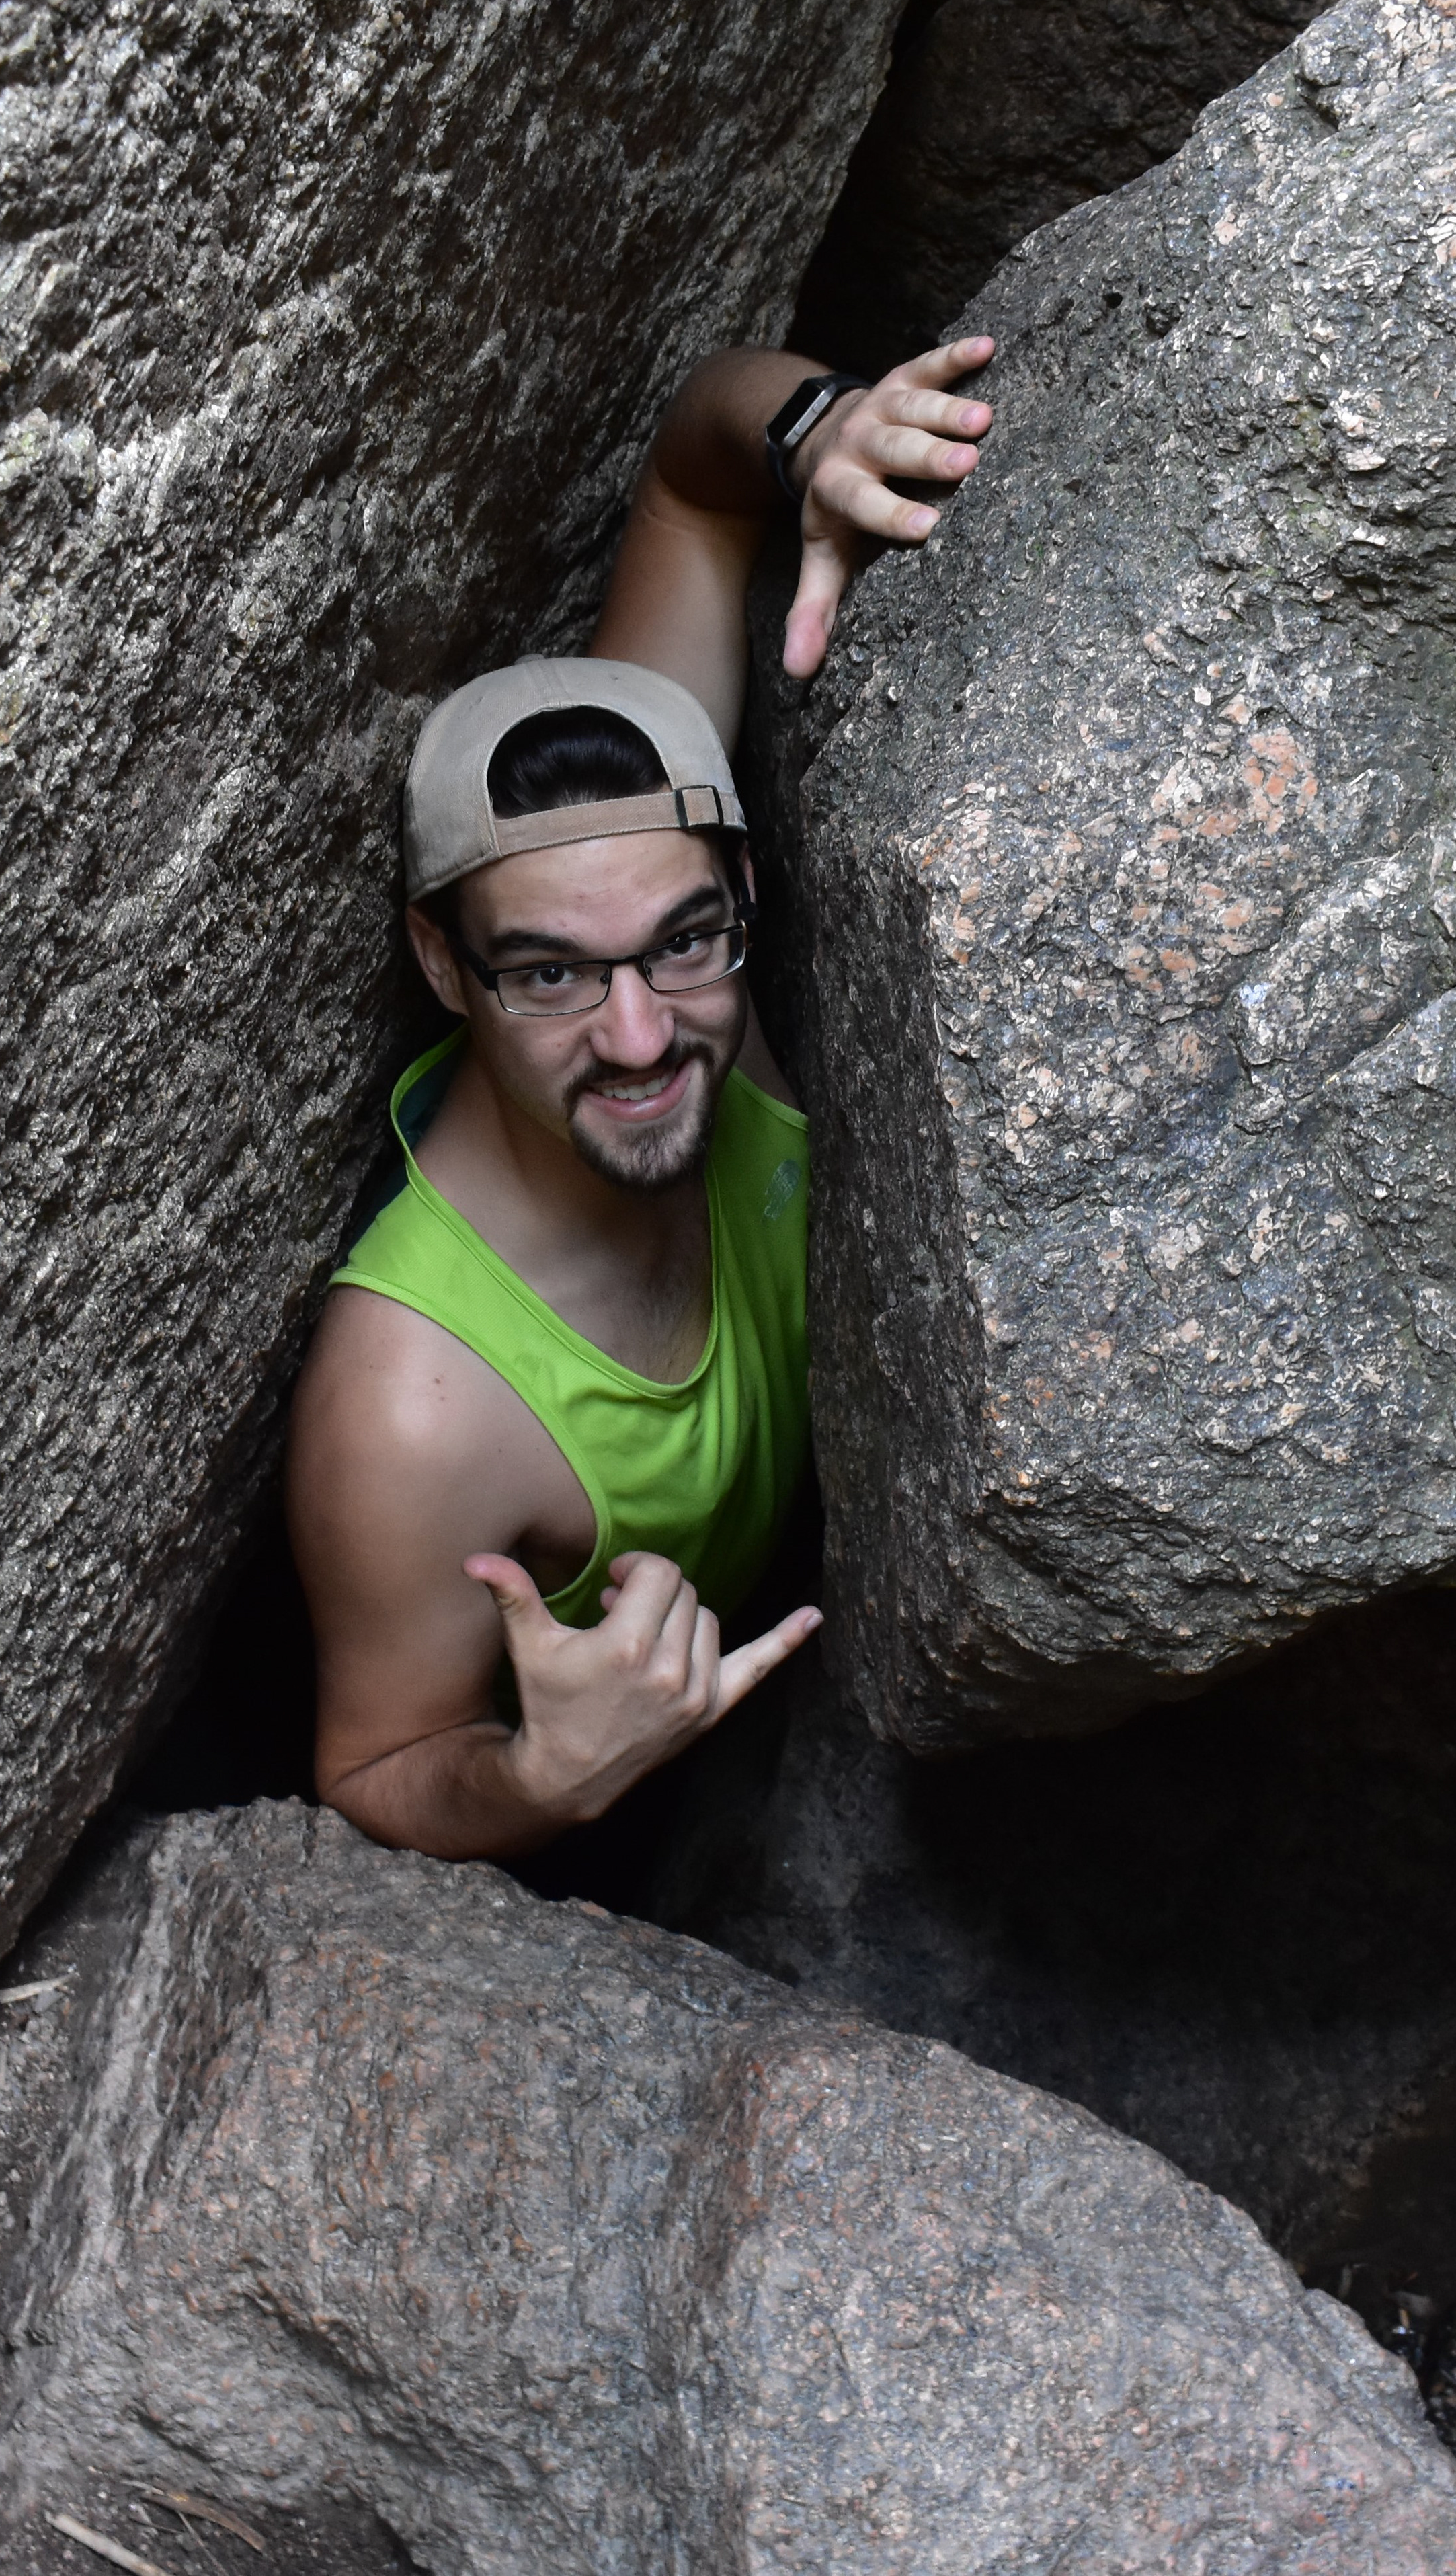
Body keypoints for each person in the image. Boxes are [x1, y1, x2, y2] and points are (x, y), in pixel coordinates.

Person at [288, 338, 998, 1860]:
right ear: (443, 961)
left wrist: (819, 429)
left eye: (683, 942)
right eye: (548, 973)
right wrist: (543, 1779)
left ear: (740, 886)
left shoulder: (676, 929)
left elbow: (693, 473)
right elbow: (376, 1763)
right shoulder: (416, 1405)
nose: (639, 1037)